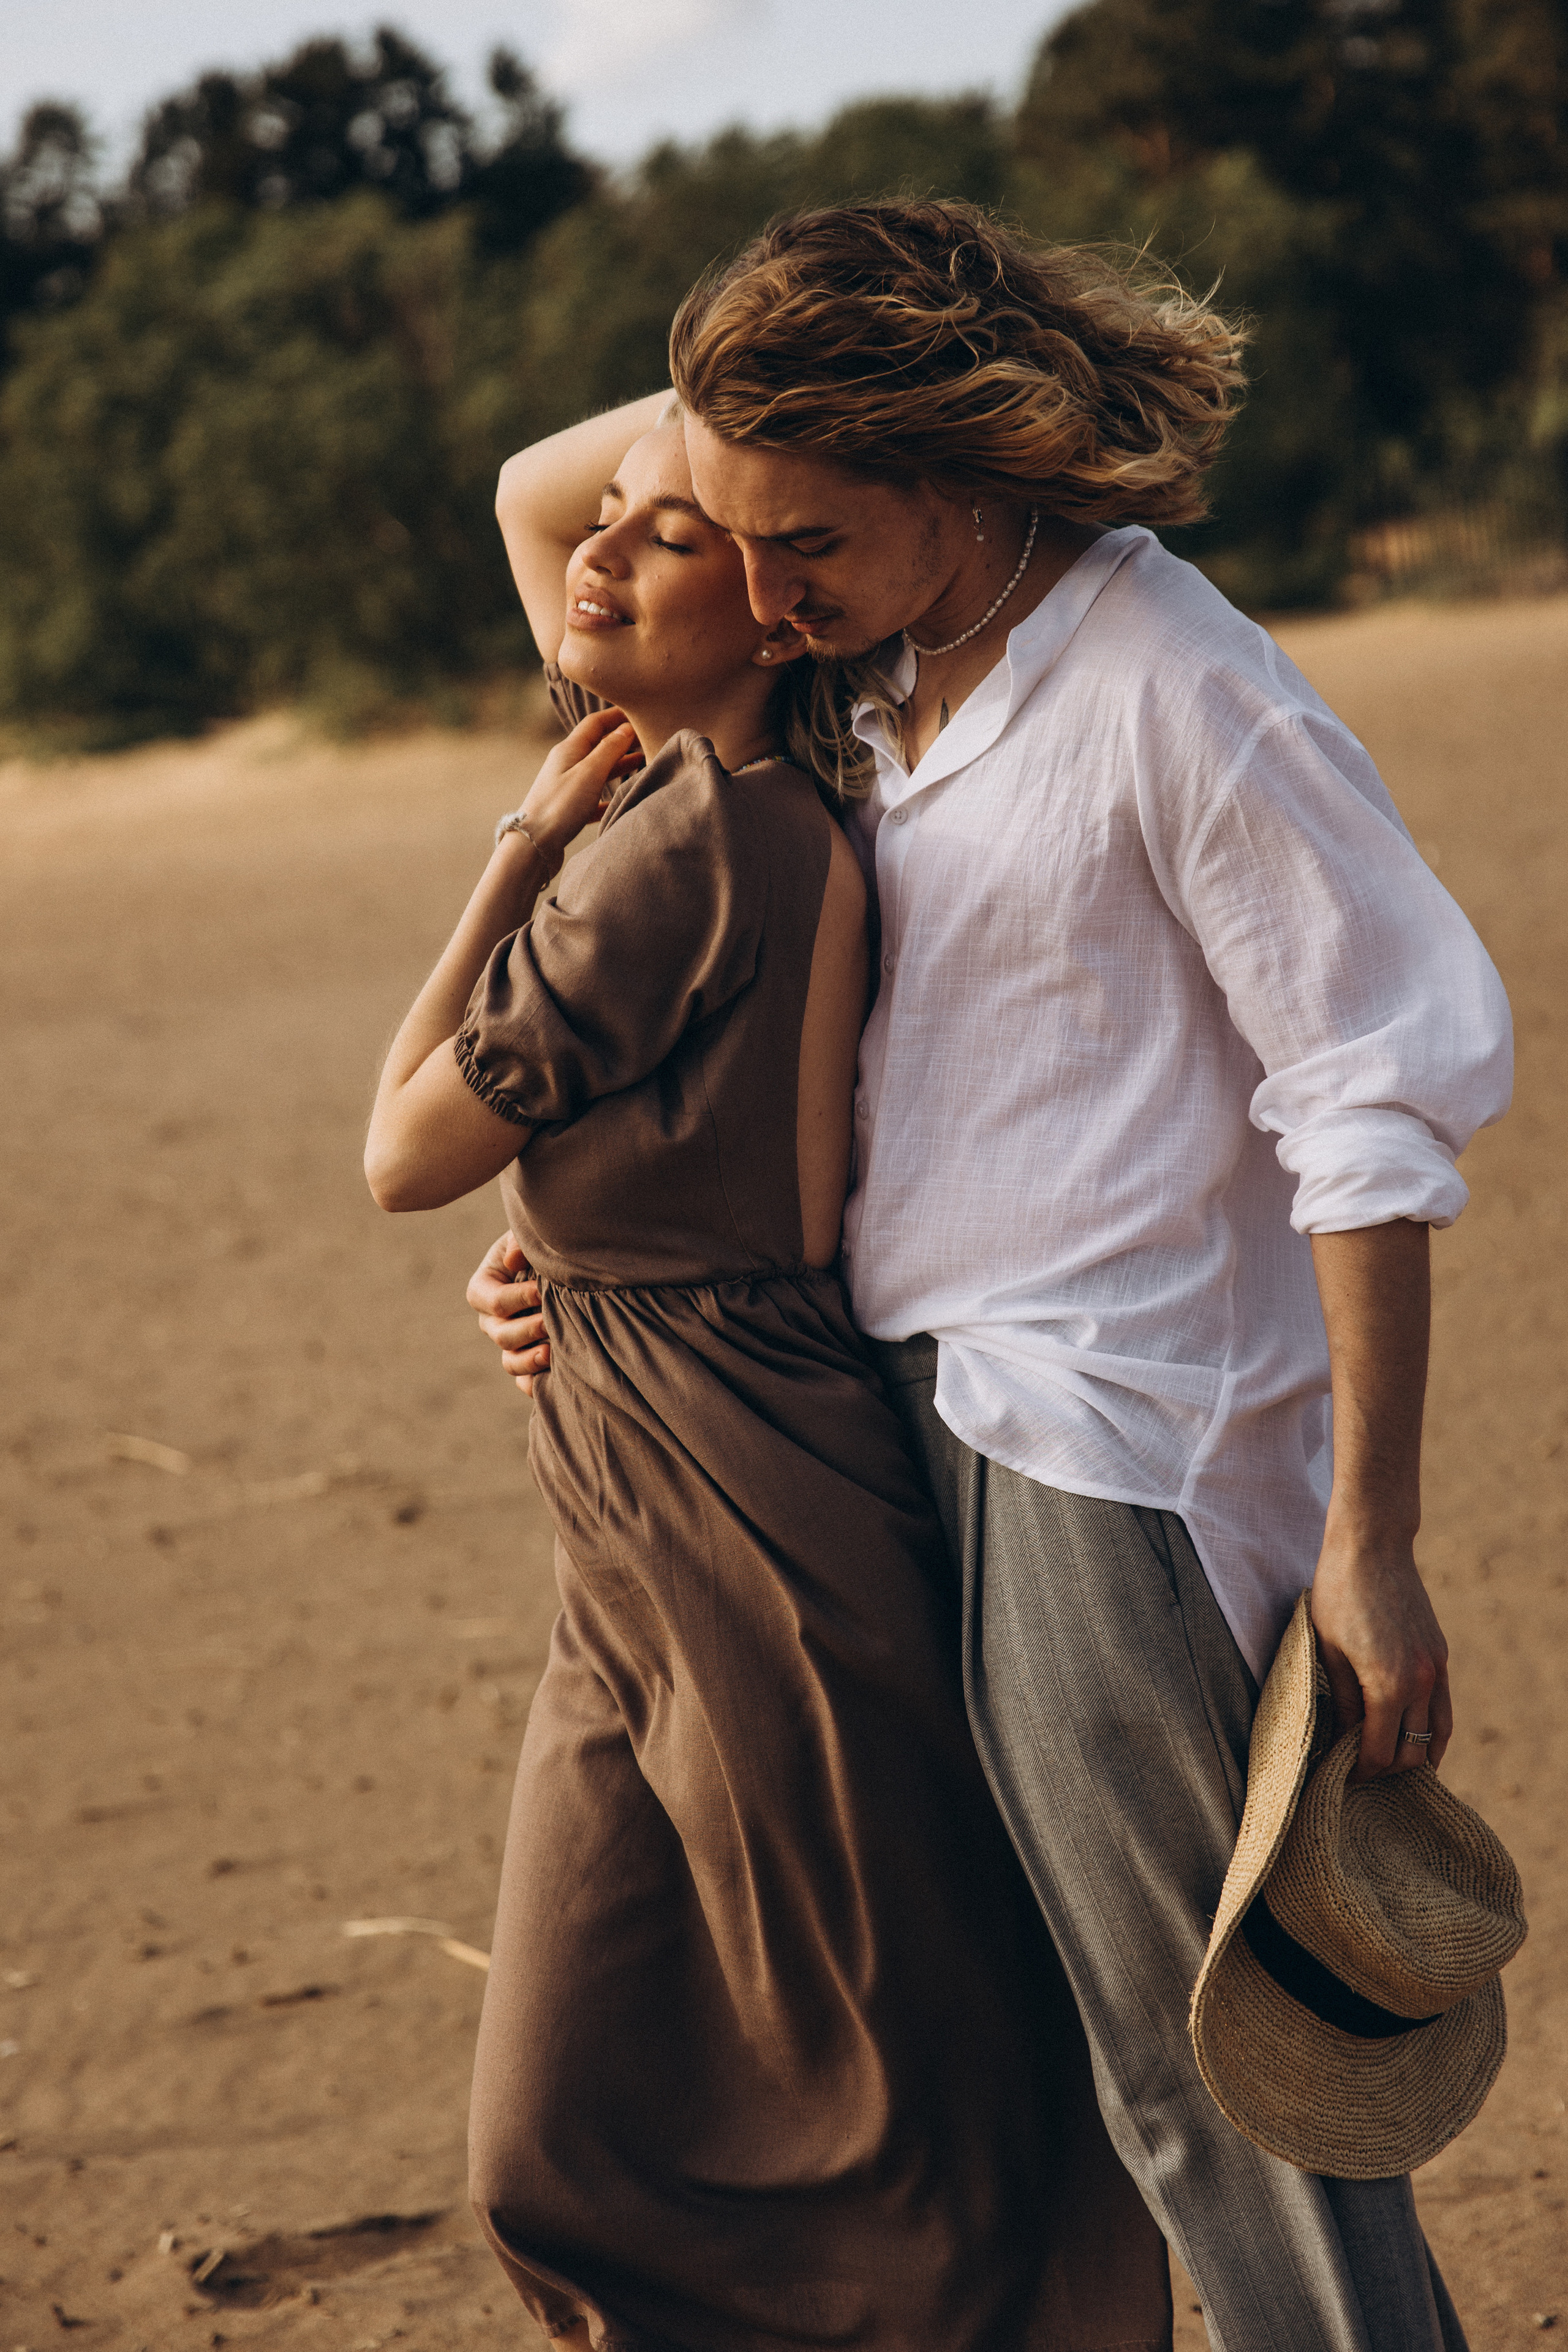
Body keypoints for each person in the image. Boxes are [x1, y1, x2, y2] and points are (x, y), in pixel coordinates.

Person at [472, 203, 1513, 2351]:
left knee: (1210, 2082)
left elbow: (1372, 1114)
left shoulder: (1183, 693)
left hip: (1096, 1454)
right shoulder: (876, 661)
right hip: (869, 1420)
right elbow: (538, 497)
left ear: (960, 483)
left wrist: (1373, 1546)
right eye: (739, 542)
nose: (762, 595)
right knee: (1012, 2051)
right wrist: (755, 414)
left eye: (809, 545)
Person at [366, 409, 1173, 2346]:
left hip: (743, 1492)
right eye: (623, 533)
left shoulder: (684, 841)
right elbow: (521, 496)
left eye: (672, 540)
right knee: (565, 2132)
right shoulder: (704, 793)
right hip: (633, 1494)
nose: (600, 556)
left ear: (782, 604)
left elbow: (395, 1153)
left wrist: (519, 844)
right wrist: (743, 405)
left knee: (894, 2083)